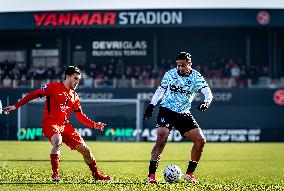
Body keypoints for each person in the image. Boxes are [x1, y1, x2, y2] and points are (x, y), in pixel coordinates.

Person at [3, 66, 112, 182]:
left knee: (86, 150)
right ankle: (55, 175)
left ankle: (96, 174)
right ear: (67, 76)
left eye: (78, 80)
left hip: (65, 125)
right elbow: (33, 94)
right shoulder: (52, 87)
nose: (77, 82)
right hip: (50, 123)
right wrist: (15, 106)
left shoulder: (74, 96)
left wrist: (94, 125)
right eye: (75, 78)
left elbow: (80, 115)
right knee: (57, 141)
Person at [143, 52, 213, 184]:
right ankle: (151, 176)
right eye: (178, 65)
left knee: (200, 141)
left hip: (183, 113)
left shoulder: (196, 77)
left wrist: (206, 102)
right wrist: (152, 104)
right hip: (167, 110)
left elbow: (207, 92)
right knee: (161, 139)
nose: (180, 68)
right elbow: (160, 90)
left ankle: (190, 174)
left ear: (189, 64)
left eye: (183, 65)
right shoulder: (170, 74)